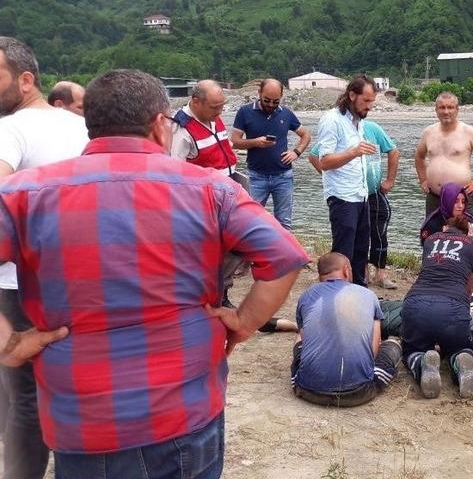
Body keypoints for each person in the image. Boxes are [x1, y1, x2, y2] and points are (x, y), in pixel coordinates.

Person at [0, 68, 309, 478]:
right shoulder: (210, 189)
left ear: (90, 125)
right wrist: (243, 322)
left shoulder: (24, 194)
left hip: (83, 422)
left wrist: (10, 345)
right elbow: (285, 256)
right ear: (161, 125)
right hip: (185, 409)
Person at [0, 36, 89, 479]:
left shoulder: (9, 129)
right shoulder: (77, 125)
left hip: (18, 283)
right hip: (77, 278)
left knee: (24, 398)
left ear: (25, 79)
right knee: (69, 388)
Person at [171, 79, 246, 309]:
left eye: (222, 106)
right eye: (215, 107)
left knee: (238, 244)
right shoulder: (181, 129)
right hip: (205, 199)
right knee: (210, 249)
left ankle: (221, 291)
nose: (220, 111)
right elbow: (174, 172)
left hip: (230, 189)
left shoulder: (213, 117)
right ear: (196, 102)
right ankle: (208, 295)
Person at [291, 253, 401, 407]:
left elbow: (306, 340)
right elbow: (373, 350)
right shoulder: (369, 295)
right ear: (346, 270)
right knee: (392, 346)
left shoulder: (306, 296)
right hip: (357, 392)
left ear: (320, 275)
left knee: (300, 343)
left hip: (307, 389)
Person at [309, 119, 400, 289]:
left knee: (379, 232)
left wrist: (390, 180)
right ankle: (355, 275)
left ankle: (381, 273)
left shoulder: (372, 128)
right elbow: (314, 155)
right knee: (351, 235)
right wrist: (328, 176)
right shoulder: (338, 129)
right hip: (348, 194)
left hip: (372, 191)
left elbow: (393, 151)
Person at [402, 215, 473, 399]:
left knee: (412, 349)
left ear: (445, 228)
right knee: (459, 345)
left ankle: (422, 363)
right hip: (453, 307)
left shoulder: (430, 239)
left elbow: (429, 268)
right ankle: (460, 360)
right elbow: (469, 288)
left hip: (417, 303)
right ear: (467, 232)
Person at [315, 74, 378, 287]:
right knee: (343, 251)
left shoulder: (357, 120)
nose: (369, 106)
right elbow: (324, 161)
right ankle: (337, 295)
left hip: (360, 194)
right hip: (341, 196)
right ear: (352, 95)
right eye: (366, 101)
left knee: (361, 249)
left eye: (372, 102)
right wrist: (354, 152)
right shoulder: (332, 120)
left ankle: (360, 293)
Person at [230, 78, 311, 230]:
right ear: (259, 93)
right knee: (250, 221)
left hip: (284, 176)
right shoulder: (245, 112)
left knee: (284, 223)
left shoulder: (286, 114)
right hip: (256, 177)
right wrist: (255, 142)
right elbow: (234, 142)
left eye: (276, 102)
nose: (271, 105)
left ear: (281, 97)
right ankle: (251, 253)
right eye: (267, 100)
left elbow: (306, 135)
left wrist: (296, 152)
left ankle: (284, 253)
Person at [415, 92, 473, 216]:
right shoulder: (428, 132)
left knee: (464, 234)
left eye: (450, 107)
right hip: (434, 198)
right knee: (431, 234)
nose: (446, 112)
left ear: (457, 109)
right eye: (442, 107)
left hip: (461, 200)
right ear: (436, 110)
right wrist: (423, 180)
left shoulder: (469, 132)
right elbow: (419, 156)